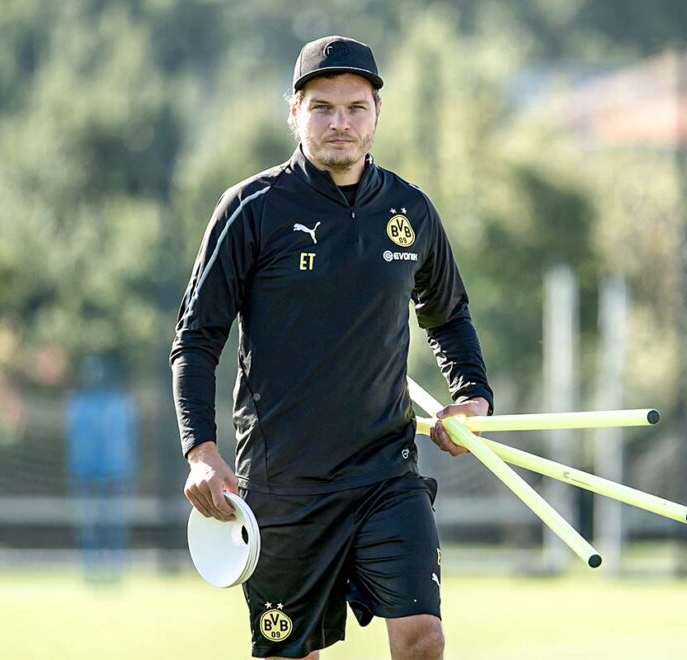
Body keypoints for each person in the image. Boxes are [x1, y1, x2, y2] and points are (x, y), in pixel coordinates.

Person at [171, 35, 493, 660]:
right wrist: (200, 450)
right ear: (294, 113)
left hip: (385, 474)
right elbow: (195, 337)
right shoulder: (250, 209)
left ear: (377, 115)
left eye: (355, 107)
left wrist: (472, 397)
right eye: (322, 107)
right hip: (282, 485)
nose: (339, 123)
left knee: (423, 638)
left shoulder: (411, 210)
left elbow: (448, 315)